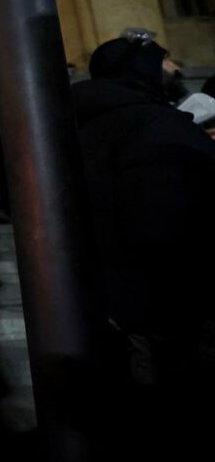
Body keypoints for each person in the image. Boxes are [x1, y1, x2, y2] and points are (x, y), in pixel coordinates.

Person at [73, 32, 215, 460]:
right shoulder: (150, 126)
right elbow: (168, 220)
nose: (173, 70)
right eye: (162, 63)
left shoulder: (92, 120)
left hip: (121, 296)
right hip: (172, 300)